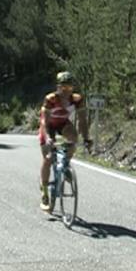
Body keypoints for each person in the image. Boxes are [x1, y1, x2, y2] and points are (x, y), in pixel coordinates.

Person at [38, 71, 92, 211]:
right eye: (63, 88)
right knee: (49, 156)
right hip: (49, 126)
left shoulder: (77, 99)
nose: (66, 91)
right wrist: (48, 138)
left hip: (63, 123)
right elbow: (44, 121)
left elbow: (82, 121)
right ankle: (44, 192)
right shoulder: (51, 99)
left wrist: (86, 138)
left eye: (69, 88)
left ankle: (65, 163)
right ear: (58, 87)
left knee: (73, 138)